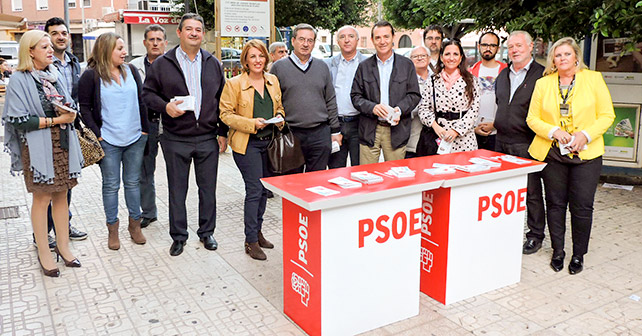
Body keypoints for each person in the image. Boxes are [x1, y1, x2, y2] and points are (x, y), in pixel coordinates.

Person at [526, 37, 615, 275]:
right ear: (552, 60)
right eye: (557, 55)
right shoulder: (544, 83)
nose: (562, 58)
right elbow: (532, 118)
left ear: (576, 56)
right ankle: (558, 251)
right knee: (555, 204)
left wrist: (585, 135)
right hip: (553, 152)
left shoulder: (593, 79)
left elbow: (607, 115)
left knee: (582, 207)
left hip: (586, 155)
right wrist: (554, 131)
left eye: (567, 54)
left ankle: (578, 255)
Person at [143, 13, 228, 257]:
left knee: (208, 189)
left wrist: (222, 132)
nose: (194, 33)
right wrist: (165, 107)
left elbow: (221, 100)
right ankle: (179, 236)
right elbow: (148, 95)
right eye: (188, 29)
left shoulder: (213, 63)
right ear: (179, 33)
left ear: (202, 34)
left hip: (207, 137)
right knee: (177, 190)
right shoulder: (162, 63)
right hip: (175, 138)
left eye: (198, 29)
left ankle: (206, 232)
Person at [2, 30, 83, 277]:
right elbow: (18, 119)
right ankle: (45, 253)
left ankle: (63, 247)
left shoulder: (54, 75)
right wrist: (56, 119)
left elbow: (67, 102)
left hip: (62, 144)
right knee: (42, 199)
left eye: (50, 46)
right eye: (44, 47)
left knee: (62, 196)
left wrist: (69, 112)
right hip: (37, 147)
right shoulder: (18, 79)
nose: (51, 50)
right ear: (30, 52)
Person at [78, 33, 148, 250]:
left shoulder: (131, 71)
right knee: (110, 186)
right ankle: (113, 229)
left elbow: (142, 100)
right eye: (119, 48)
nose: (124, 52)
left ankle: (135, 226)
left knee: (133, 183)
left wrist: (145, 130)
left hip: (135, 137)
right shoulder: (91, 76)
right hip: (108, 140)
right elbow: (85, 107)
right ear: (106, 50)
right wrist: (98, 134)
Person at [219, 40, 284, 260]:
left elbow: (280, 106)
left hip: (270, 143)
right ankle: (250, 240)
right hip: (247, 145)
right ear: (245, 60)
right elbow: (225, 115)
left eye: (261, 56)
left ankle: (258, 232)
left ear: (266, 58)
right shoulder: (234, 83)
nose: (257, 60)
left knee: (264, 190)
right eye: (252, 56)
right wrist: (251, 123)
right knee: (255, 190)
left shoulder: (273, 81)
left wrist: (280, 118)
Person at [493, 31, 547, 255]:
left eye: (519, 45)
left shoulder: (542, 75)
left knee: (531, 192)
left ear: (530, 46)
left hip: (526, 142)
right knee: (504, 191)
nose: (514, 50)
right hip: (501, 141)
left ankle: (535, 235)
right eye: (511, 46)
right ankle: (507, 230)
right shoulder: (503, 75)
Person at [270, 23, 340, 172]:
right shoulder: (279, 68)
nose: (305, 44)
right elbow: (273, 101)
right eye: (301, 39)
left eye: (310, 40)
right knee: (292, 182)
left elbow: (330, 100)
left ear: (314, 43)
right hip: (291, 134)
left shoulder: (322, 67)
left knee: (317, 181)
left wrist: (335, 131)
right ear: (293, 40)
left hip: (319, 134)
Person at [43, 17, 88, 247]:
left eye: (64, 33)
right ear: (47, 37)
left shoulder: (73, 62)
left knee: (68, 181)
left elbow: (75, 96)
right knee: (49, 184)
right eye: (54, 33)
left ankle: (64, 224)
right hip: (48, 131)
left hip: (69, 131)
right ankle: (43, 233)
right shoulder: (43, 64)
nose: (60, 37)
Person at [351, 21, 421, 164]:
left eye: (386, 37)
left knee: (396, 175)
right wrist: (373, 108)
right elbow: (355, 96)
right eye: (378, 38)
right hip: (370, 129)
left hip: (397, 130)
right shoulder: (364, 67)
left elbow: (414, 95)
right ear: (372, 40)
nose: (382, 41)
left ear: (393, 37)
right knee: (367, 175)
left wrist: (399, 110)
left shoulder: (406, 65)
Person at [130, 24, 168, 229]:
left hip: (171, 124)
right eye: (151, 40)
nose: (155, 43)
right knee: (145, 170)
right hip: (146, 125)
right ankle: (148, 212)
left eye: (159, 39)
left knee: (176, 171)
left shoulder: (173, 64)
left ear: (165, 43)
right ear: (144, 42)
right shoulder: (134, 67)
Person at [417, 39, 479, 155]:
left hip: (464, 139)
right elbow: (423, 108)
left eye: (455, 54)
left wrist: (456, 130)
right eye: (447, 54)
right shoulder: (432, 81)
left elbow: (474, 110)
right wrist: (435, 126)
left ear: (461, 58)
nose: (451, 58)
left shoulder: (471, 81)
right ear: (441, 57)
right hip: (440, 136)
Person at [325, 25, 368, 168]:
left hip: (359, 123)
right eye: (342, 37)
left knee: (360, 169)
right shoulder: (328, 64)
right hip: (336, 124)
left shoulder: (368, 64)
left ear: (357, 40)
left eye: (350, 36)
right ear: (338, 41)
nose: (347, 40)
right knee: (336, 169)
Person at [468, 31, 507, 150]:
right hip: (474, 132)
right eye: (485, 45)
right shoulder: (470, 72)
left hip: (498, 133)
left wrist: (496, 125)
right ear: (479, 46)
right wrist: (473, 128)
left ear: (498, 48)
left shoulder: (506, 72)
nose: (488, 48)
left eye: (492, 45)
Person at [407, 46, 431, 158]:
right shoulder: (405, 81)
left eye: (423, 56)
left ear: (429, 58)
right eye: (415, 56)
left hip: (434, 139)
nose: (419, 58)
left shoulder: (438, 78)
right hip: (412, 139)